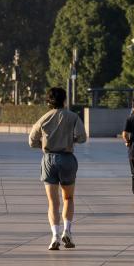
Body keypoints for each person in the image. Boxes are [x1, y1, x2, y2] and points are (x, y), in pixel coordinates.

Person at [29, 86, 87, 250]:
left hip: (48, 159)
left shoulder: (44, 118)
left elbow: (31, 141)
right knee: (68, 198)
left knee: (53, 202)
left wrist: (44, 144)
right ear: (64, 100)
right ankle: (67, 231)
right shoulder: (73, 117)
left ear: (49, 101)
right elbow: (82, 137)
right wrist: (70, 140)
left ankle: (55, 235)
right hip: (67, 159)